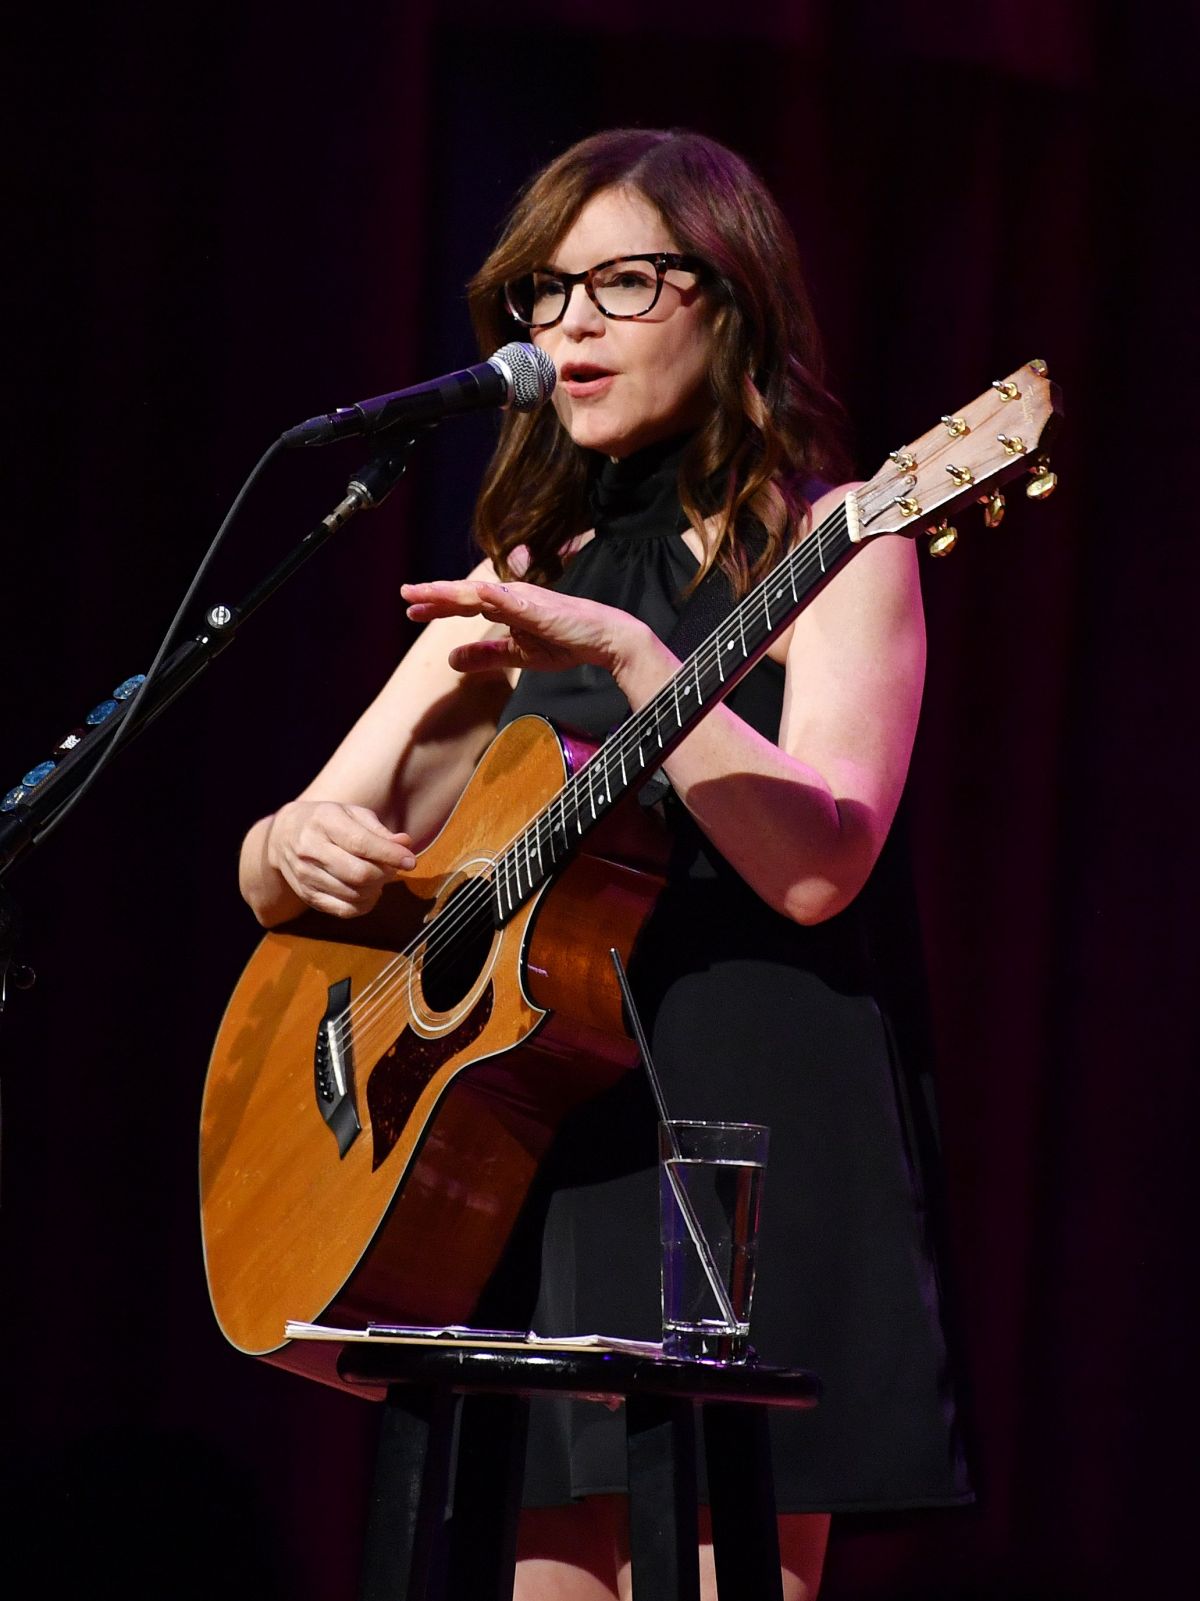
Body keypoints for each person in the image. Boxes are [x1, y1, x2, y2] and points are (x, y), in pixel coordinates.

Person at [239, 128, 970, 1601]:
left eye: (620, 283)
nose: (567, 326)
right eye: (543, 295)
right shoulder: (526, 572)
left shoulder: (838, 540)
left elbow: (826, 864)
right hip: (546, 1120)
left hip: (742, 1131)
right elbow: (273, 868)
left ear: (731, 298)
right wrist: (290, 843)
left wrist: (644, 665)